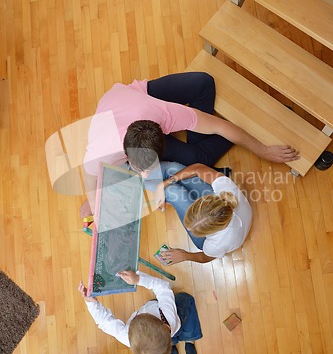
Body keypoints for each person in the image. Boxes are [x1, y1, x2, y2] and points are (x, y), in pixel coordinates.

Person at [81, 73, 300, 214]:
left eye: (148, 169)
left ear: (163, 135)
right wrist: (93, 203)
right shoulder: (102, 151)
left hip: (139, 102)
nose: (146, 174)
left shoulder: (165, 114)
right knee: (196, 156)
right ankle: (199, 144)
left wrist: (263, 150)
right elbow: (89, 175)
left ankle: (205, 144)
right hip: (124, 103)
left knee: (204, 83)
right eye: (142, 169)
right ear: (126, 154)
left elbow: (219, 127)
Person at [78, 270, 203, 354]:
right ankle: (188, 342)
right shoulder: (168, 315)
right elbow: (163, 288)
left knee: (167, 339)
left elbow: (105, 323)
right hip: (177, 320)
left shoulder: (128, 338)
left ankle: (172, 347)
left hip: (171, 330)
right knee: (186, 308)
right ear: (167, 326)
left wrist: (91, 303)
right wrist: (139, 279)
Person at [152, 162, 252, 264]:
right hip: (228, 216)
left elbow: (204, 258)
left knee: (171, 191)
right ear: (202, 200)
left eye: (196, 232)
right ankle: (151, 179)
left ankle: (155, 186)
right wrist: (163, 184)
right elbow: (198, 168)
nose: (189, 229)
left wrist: (184, 255)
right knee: (172, 169)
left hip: (226, 235)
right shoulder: (226, 190)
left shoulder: (216, 245)